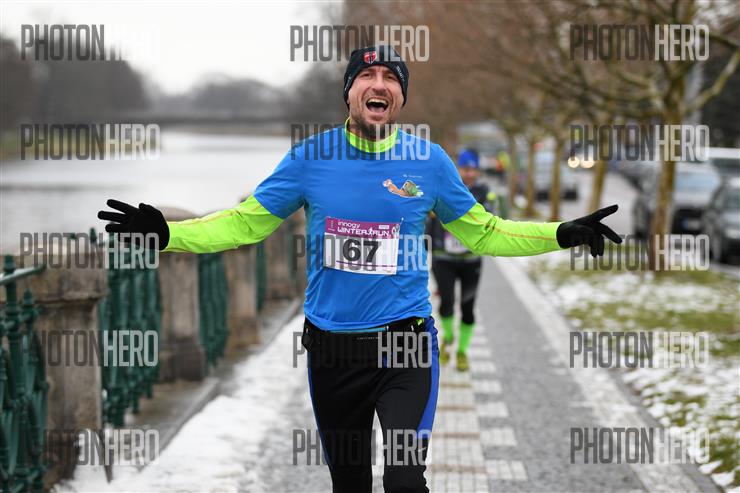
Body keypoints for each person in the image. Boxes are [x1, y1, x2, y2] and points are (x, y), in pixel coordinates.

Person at [98, 45, 622, 493]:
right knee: (350, 486)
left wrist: (560, 232)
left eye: (391, 78)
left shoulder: (429, 162)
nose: (379, 84)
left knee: (404, 481)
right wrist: (170, 234)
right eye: (366, 75)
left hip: (405, 344)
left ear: (400, 98)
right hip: (333, 349)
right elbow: (245, 223)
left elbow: (484, 231)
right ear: (349, 92)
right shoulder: (310, 158)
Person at [425, 149, 495, 371]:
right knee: (446, 303)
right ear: (458, 169)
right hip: (443, 258)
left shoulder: (484, 192)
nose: (470, 173)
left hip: (470, 261)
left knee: (468, 307)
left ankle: (462, 351)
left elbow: (492, 219)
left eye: (474, 169)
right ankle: (448, 337)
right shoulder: (444, 187)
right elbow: (428, 219)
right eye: (466, 169)